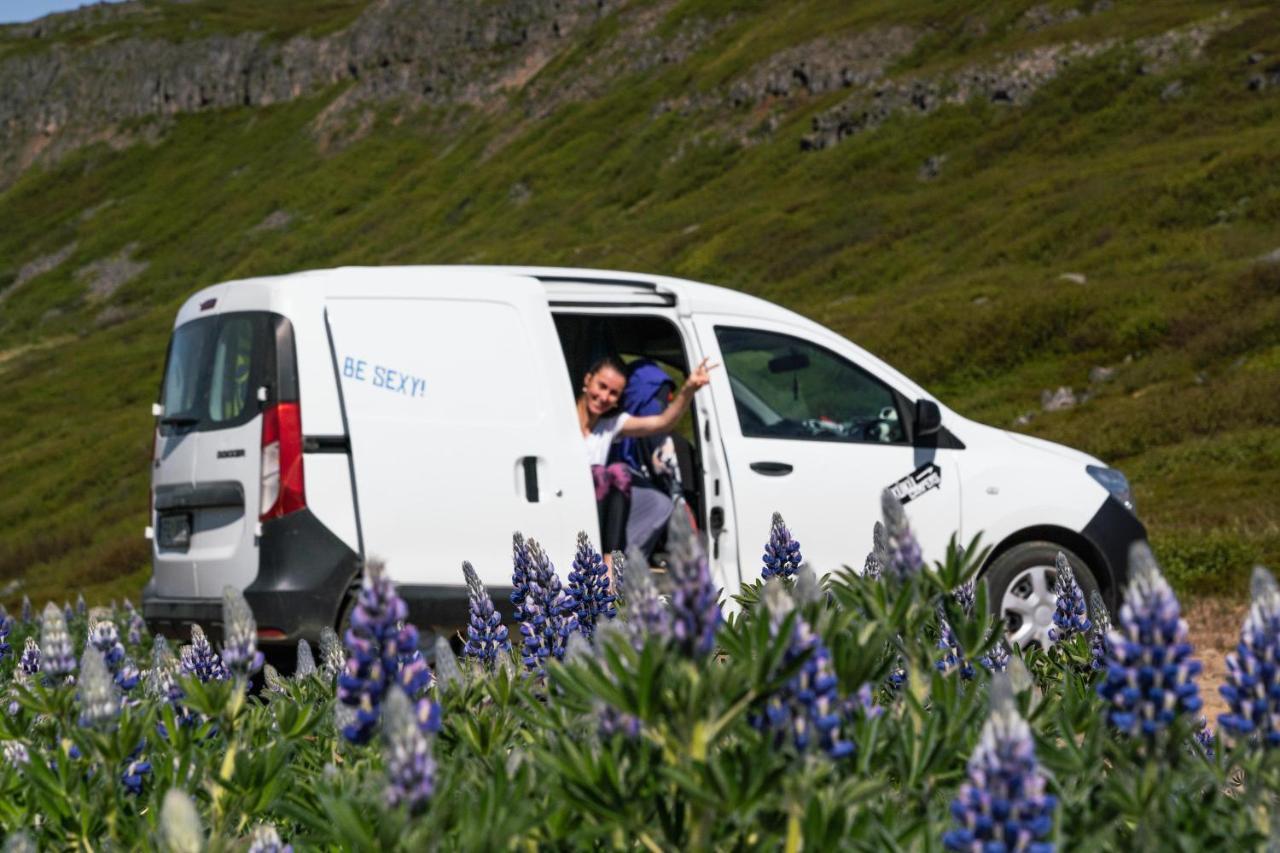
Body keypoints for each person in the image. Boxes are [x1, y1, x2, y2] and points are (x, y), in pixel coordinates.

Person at [576, 355, 716, 565]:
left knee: (621, 473)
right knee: (599, 473)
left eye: (613, 393)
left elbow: (662, 422)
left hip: (596, 503)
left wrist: (688, 390)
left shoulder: (611, 424)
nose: (604, 397)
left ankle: (611, 563)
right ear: (588, 381)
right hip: (569, 496)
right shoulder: (563, 414)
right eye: (601, 386)